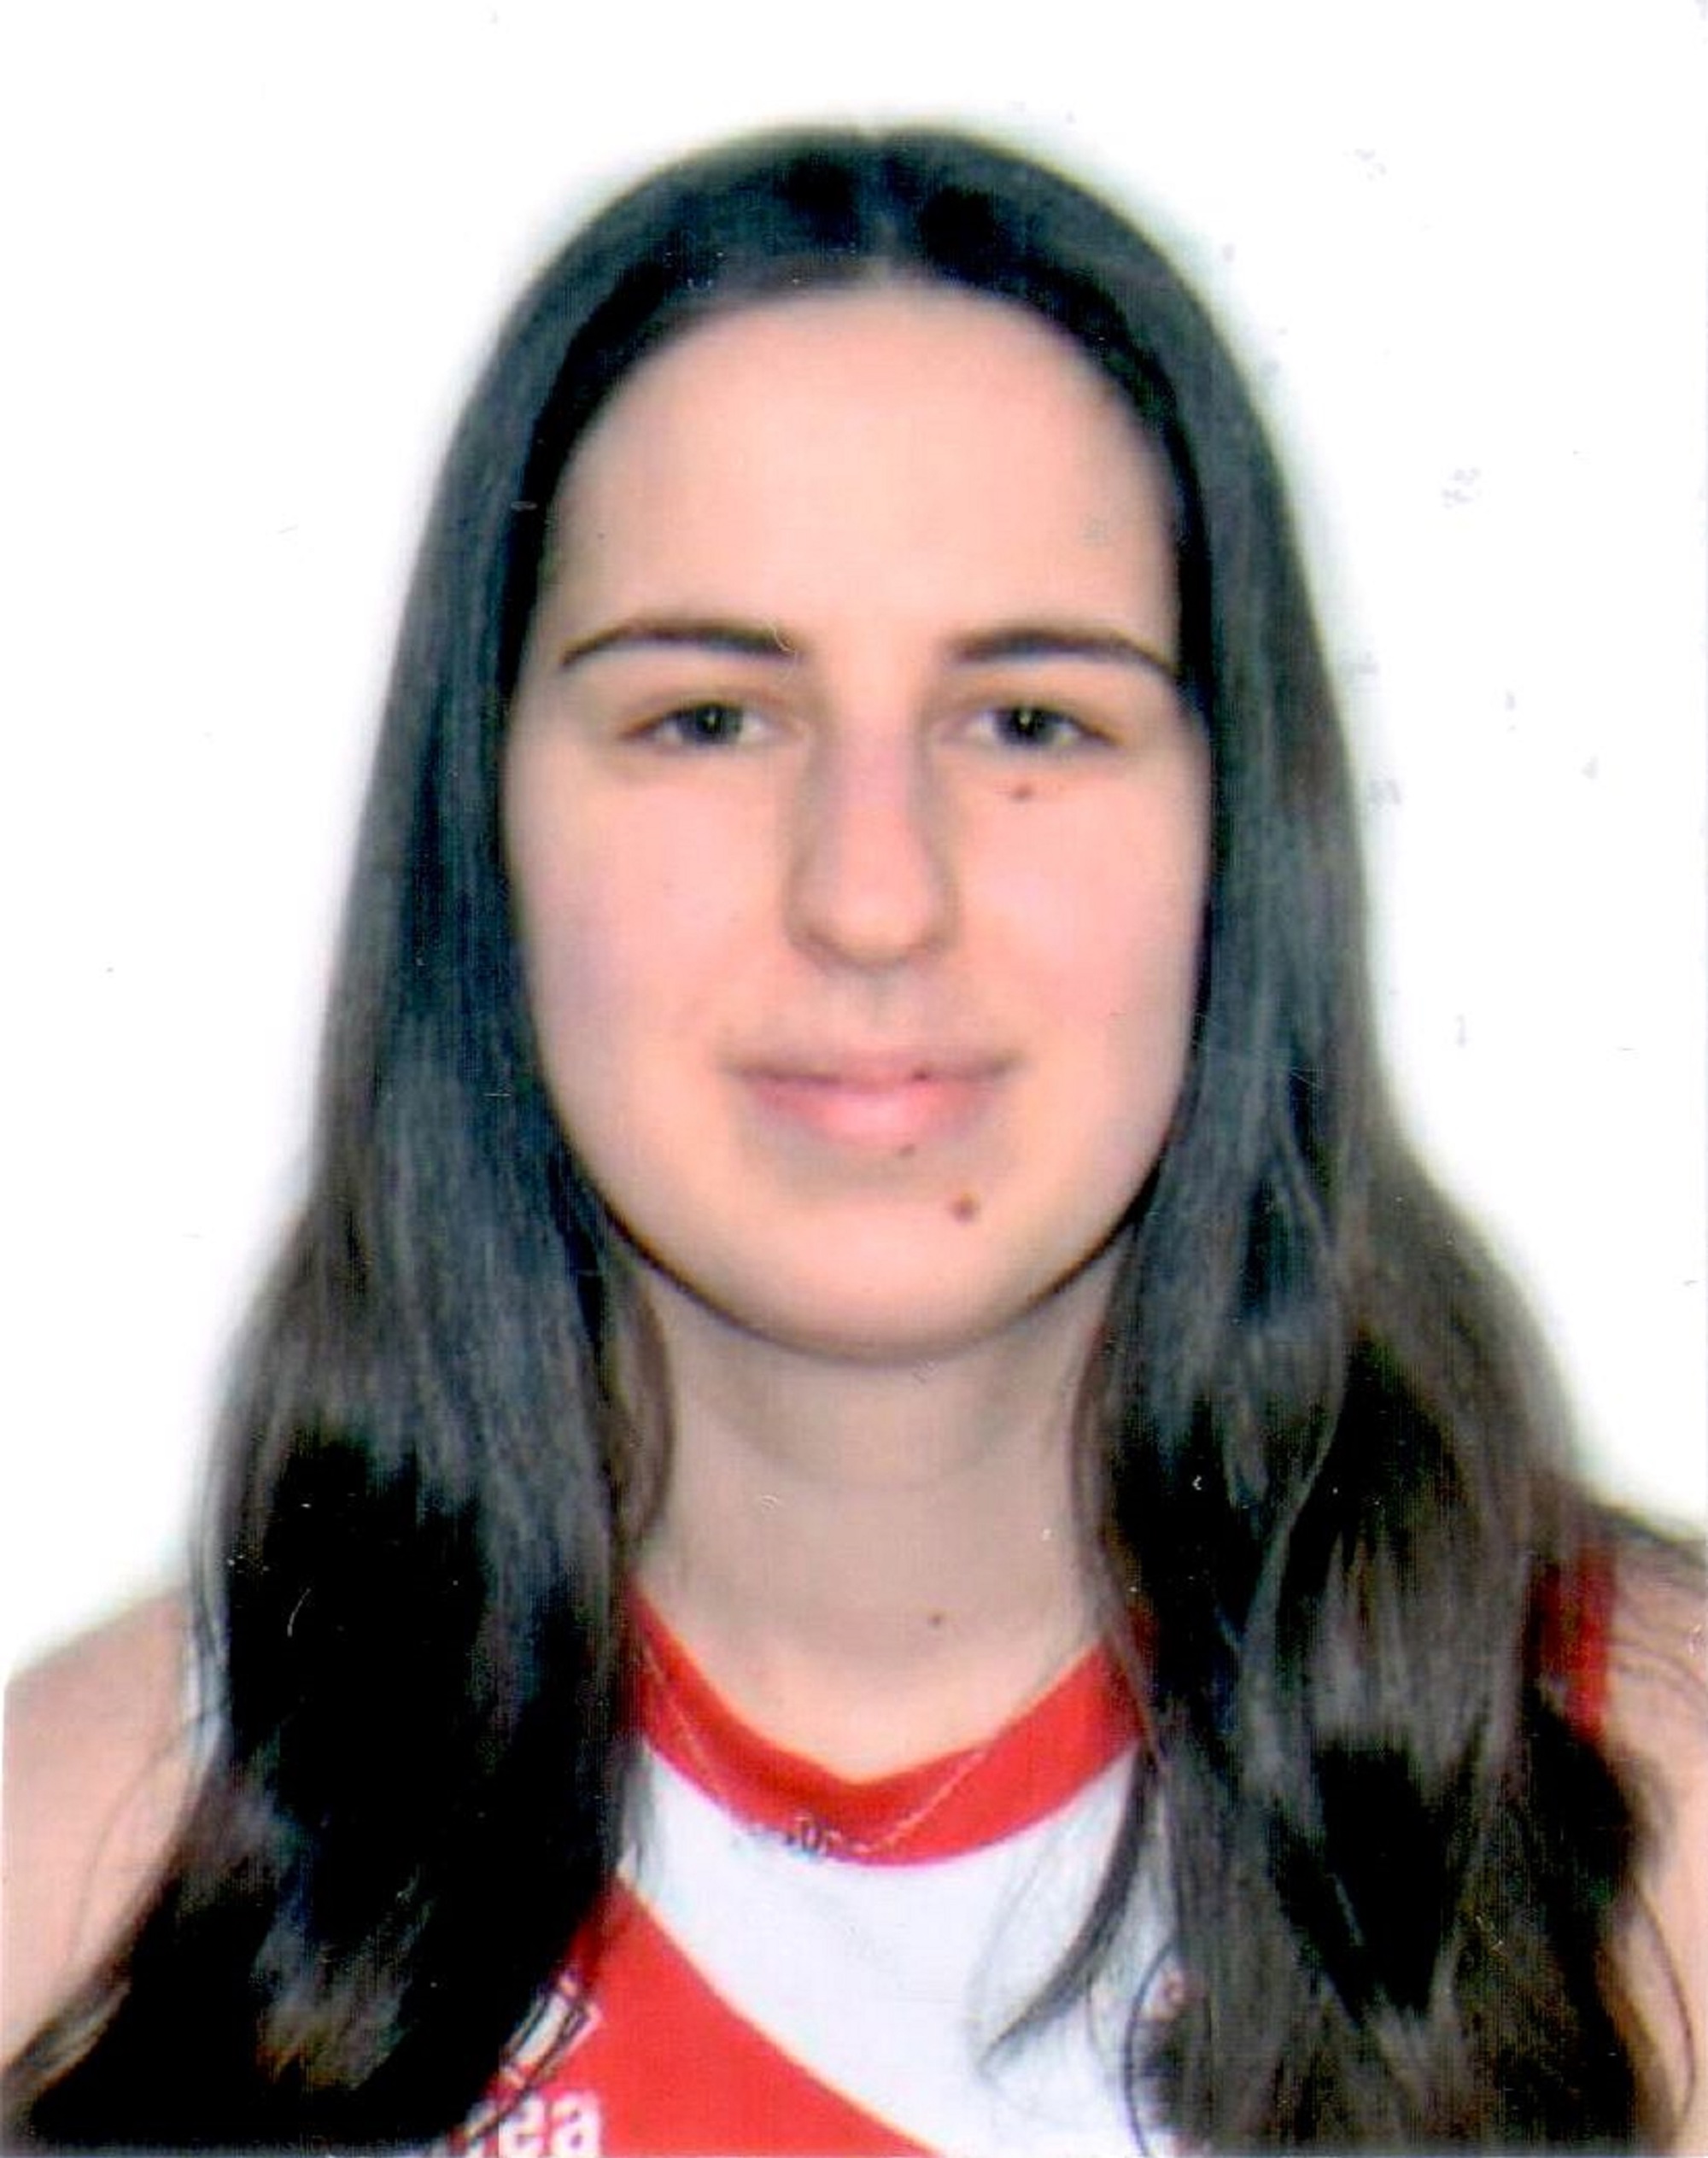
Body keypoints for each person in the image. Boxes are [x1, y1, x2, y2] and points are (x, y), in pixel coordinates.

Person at [3, 125, 1703, 2155]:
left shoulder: (1657, 1845)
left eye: (1032, 720)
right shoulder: (90, 1884)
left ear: (1241, 842)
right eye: (707, 719)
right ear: (488, 835)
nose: (873, 895)